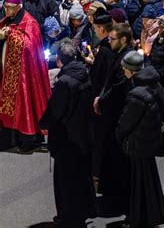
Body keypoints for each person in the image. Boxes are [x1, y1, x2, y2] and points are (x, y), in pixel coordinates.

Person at [39, 43, 96, 227]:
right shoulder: (83, 73)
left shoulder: (65, 82)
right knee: (81, 176)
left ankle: (68, 216)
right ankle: (83, 211)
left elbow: (55, 111)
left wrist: (43, 123)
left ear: (59, 61)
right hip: (84, 134)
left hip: (67, 138)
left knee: (66, 181)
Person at [116, 51, 164, 228]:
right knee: (150, 179)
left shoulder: (136, 93)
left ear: (131, 71)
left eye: (124, 69)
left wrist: (119, 135)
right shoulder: (154, 84)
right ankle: (154, 213)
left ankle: (140, 217)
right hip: (151, 138)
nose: (123, 72)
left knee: (139, 183)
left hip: (138, 141)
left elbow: (126, 122)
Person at [0, 0, 51, 152]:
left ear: (19, 6)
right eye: (5, 7)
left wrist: (11, 35)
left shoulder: (30, 22)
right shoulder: (6, 20)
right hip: (5, 72)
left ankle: (27, 139)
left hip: (22, 76)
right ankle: (7, 139)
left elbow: (29, 46)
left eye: (10, 7)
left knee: (24, 103)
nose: (7, 10)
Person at [93, 23, 134, 216]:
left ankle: (118, 200)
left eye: (112, 39)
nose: (109, 42)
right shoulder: (119, 54)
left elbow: (119, 86)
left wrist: (102, 100)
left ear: (124, 40)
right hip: (111, 113)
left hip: (118, 116)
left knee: (117, 160)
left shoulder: (128, 58)